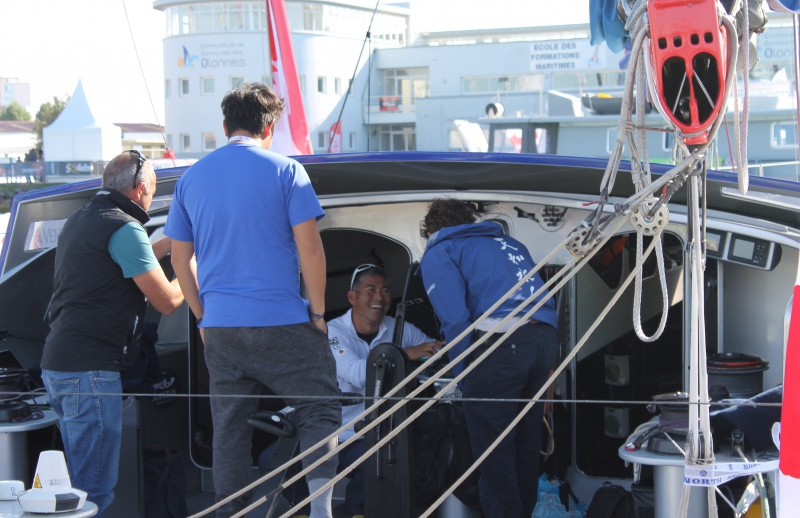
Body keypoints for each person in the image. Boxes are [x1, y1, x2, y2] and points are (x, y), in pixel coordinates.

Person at [165, 82, 341, 518]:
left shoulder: (191, 178)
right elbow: (311, 250)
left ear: (225, 126)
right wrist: (318, 313)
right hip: (281, 321)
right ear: (271, 127)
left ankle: (232, 512)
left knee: (228, 428)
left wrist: (203, 317)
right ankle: (321, 510)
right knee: (319, 408)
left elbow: (180, 258)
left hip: (221, 328)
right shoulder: (287, 171)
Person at [40, 150, 185, 517]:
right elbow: (167, 301)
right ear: (139, 190)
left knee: (75, 491)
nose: (150, 200)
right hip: (90, 372)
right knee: (93, 494)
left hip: (60, 366)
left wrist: (171, 242)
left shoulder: (84, 219)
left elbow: (132, 261)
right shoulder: (124, 226)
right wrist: (190, 264)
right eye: (151, 192)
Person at [419, 198, 559, 518]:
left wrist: (462, 376)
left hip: (502, 345)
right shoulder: (510, 244)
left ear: (431, 230)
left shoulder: (441, 250)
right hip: (544, 341)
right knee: (525, 448)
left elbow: (455, 320)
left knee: (494, 460)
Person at [327, 264, 444, 516]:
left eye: (385, 290)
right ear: (352, 296)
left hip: (374, 431)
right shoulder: (333, 331)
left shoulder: (395, 326)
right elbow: (360, 375)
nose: (379, 297)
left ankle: (360, 512)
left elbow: (433, 350)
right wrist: (404, 355)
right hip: (333, 432)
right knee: (278, 459)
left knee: (388, 460)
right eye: (370, 290)